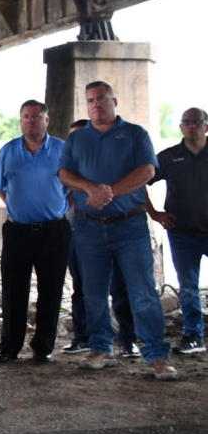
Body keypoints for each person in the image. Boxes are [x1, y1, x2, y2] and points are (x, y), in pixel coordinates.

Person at [58, 81, 177, 380]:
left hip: (130, 226)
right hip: (88, 227)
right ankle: (101, 349)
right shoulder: (77, 139)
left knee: (143, 292)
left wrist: (109, 192)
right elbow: (64, 173)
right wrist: (88, 187)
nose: (96, 104)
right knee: (93, 293)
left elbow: (148, 171)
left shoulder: (135, 134)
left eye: (101, 99)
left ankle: (156, 355)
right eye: (90, 101)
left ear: (114, 101)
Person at [0, 100, 70, 364]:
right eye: (26, 117)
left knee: (51, 290)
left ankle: (43, 347)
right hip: (18, 232)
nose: (31, 121)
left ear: (46, 120)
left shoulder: (62, 149)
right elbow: (1, 188)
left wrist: (53, 208)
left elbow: (71, 189)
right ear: (20, 120)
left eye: (36, 116)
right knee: (14, 290)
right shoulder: (8, 150)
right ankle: (9, 348)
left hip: (54, 231)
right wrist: (21, 209)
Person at [62, 119, 138, 357]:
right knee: (81, 289)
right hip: (75, 234)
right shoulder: (68, 169)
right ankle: (83, 337)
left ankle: (128, 339)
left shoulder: (103, 167)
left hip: (109, 230)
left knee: (119, 286)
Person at [146, 106, 208, 354]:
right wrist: (154, 213)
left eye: (196, 122)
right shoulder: (169, 156)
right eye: (186, 122)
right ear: (181, 127)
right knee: (188, 286)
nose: (191, 126)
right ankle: (193, 336)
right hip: (182, 232)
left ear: (206, 125)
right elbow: (140, 181)